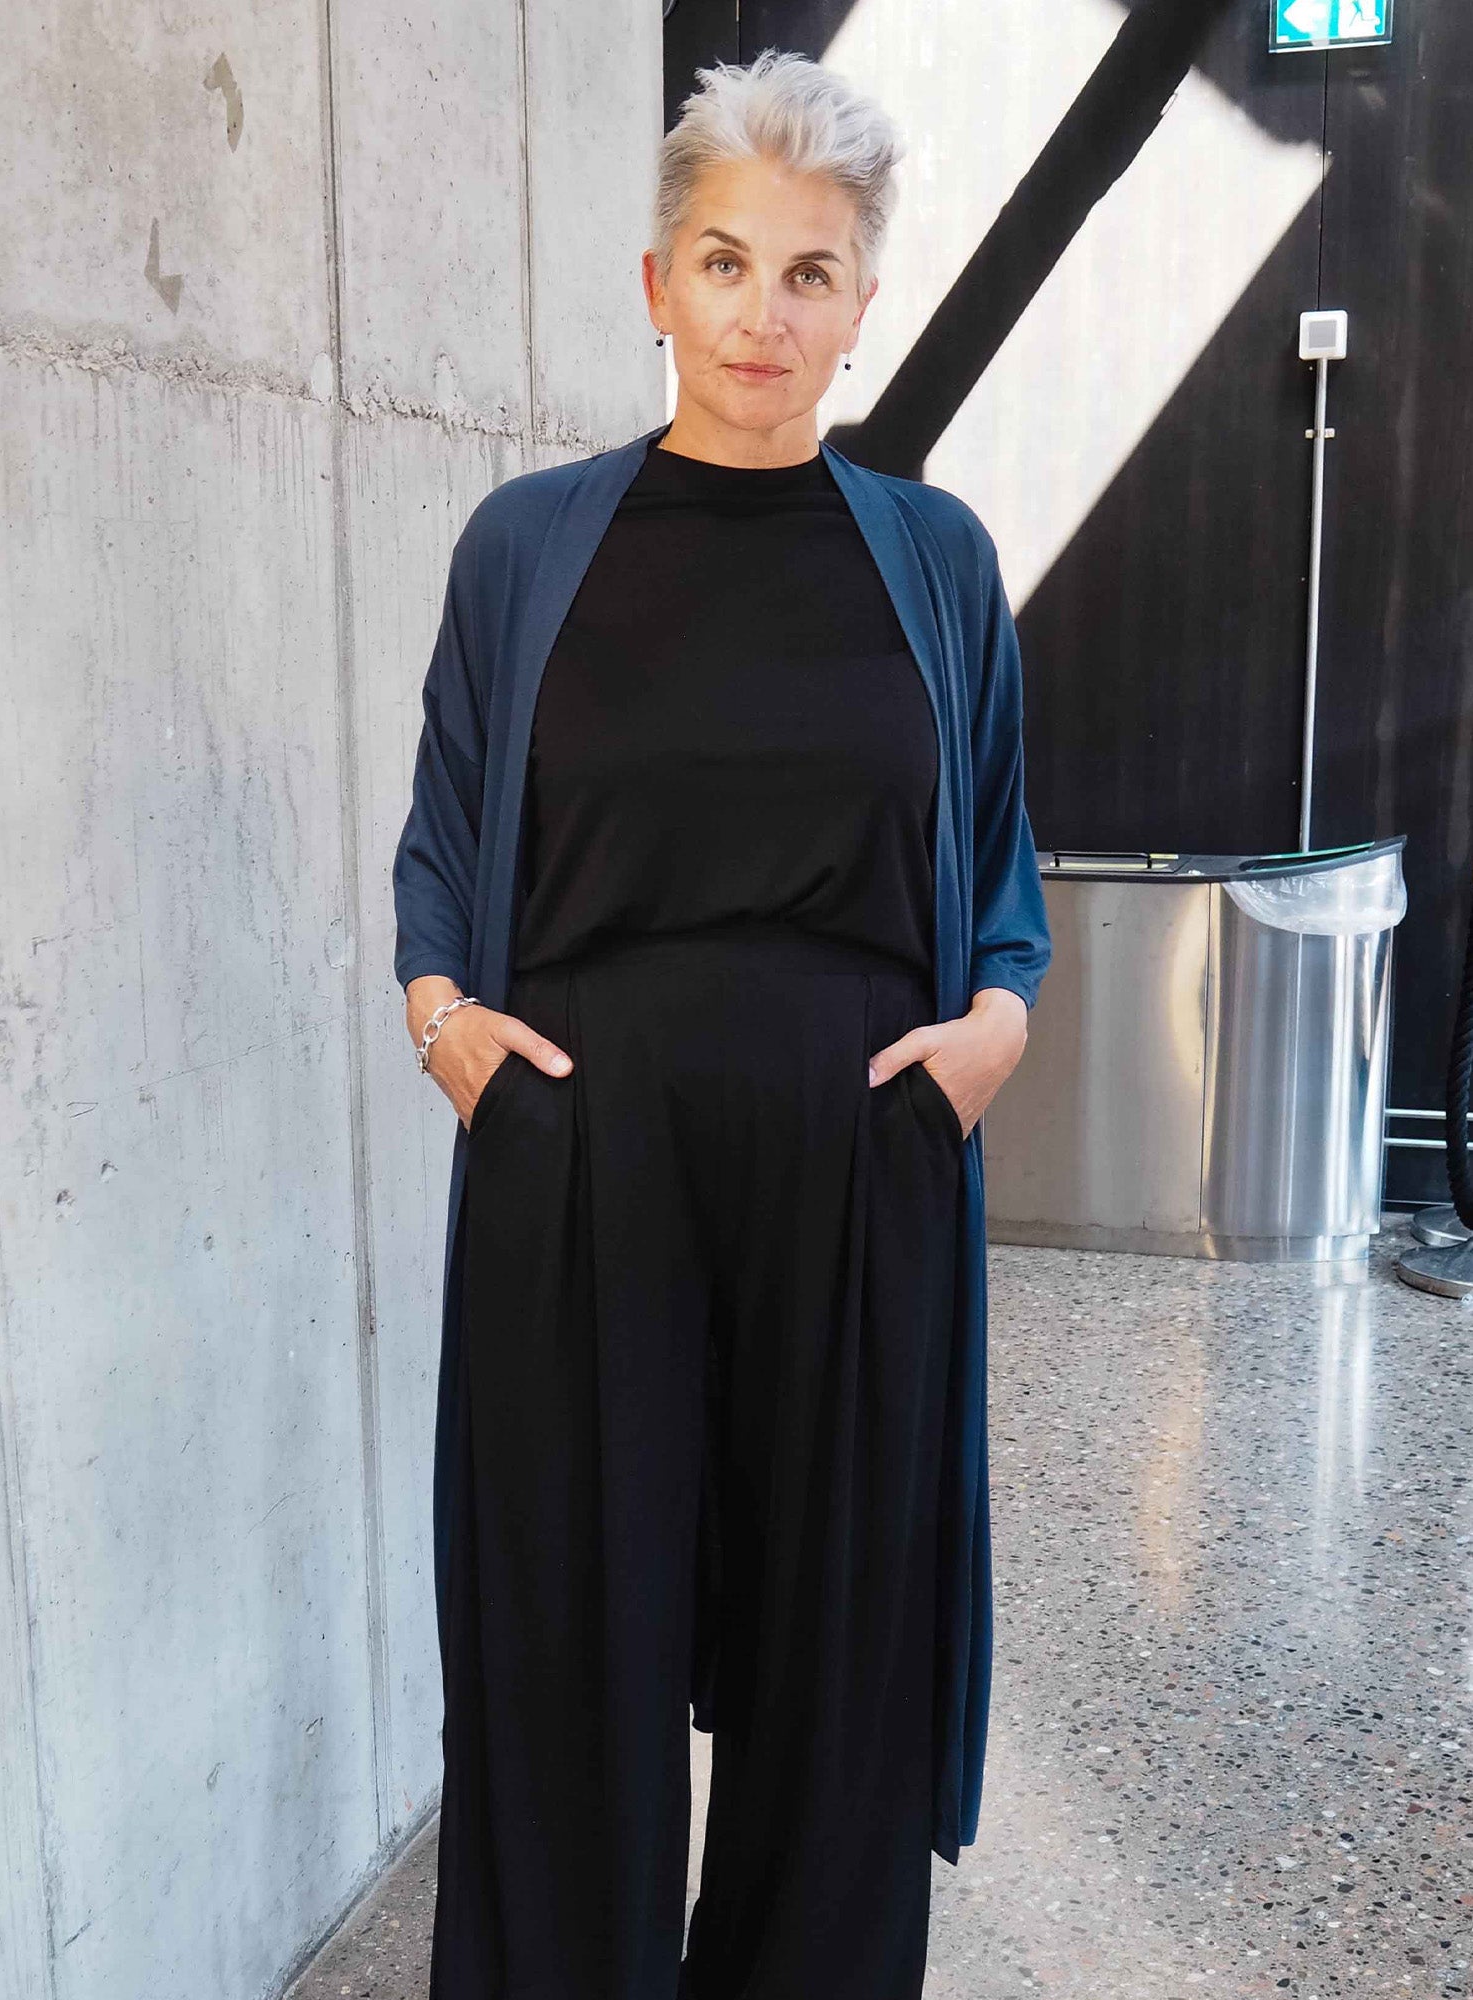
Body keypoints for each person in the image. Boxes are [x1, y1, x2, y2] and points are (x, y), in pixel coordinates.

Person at [392, 46, 1051, 2000]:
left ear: (863, 307)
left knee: (836, 1660)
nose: (763, 314)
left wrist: (993, 1031)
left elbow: (1001, 849)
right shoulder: (530, 545)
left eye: (809, 272)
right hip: (579, 1179)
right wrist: (441, 1017)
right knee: (564, 1649)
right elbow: (443, 830)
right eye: (725, 260)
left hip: (861, 1183)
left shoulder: (931, 562)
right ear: (656, 281)